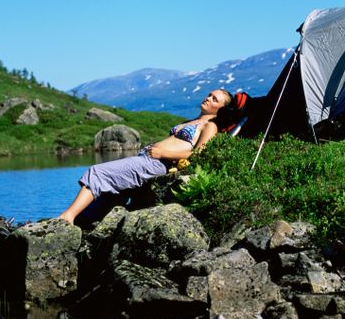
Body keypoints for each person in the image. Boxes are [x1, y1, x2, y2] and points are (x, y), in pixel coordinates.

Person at [58, 89, 233, 225]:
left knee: (97, 172)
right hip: (147, 158)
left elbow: (198, 154)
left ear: (222, 109)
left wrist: (163, 153)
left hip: (159, 162)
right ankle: (82, 222)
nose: (208, 98)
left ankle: (68, 216)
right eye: (209, 95)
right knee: (112, 192)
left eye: (214, 99)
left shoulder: (210, 126)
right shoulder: (190, 121)